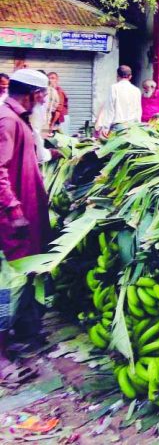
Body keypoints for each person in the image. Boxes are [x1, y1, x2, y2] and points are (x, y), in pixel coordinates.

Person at [0, 69, 52, 366]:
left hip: (25, 211)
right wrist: (14, 210)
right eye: (42, 96)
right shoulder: (7, 120)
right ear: (33, 95)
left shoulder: (16, 118)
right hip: (13, 218)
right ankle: (2, 355)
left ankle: (22, 333)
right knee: (9, 283)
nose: (44, 100)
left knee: (22, 277)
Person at [97, 65, 141, 137]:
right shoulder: (136, 90)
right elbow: (138, 110)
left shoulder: (114, 88)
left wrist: (106, 127)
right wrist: (138, 126)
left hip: (118, 127)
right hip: (132, 126)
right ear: (130, 77)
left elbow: (110, 109)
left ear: (117, 76)